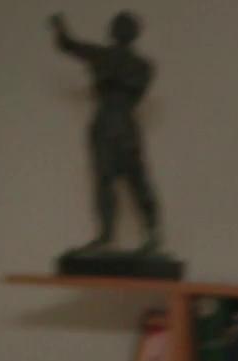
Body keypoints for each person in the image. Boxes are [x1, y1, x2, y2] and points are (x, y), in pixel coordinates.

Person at [49, 12, 163, 253]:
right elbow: (69, 45)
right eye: (118, 26)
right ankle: (106, 235)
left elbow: (136, 88)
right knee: (104, 181)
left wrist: (110, 75)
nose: (121, 31)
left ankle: (152, 232)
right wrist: (59, 29)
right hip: (103, 126)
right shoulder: (102, 55)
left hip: (124, 126)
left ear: (133, 34)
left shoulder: (142, 65)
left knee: (137, 180)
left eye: (126, 27)